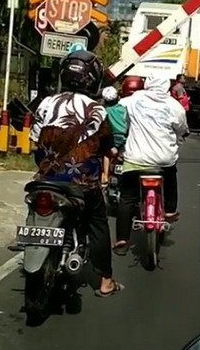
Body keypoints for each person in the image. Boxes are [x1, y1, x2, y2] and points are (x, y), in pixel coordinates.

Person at [29, 50, 124, 298]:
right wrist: (113, 152)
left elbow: (33, 140)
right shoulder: (96, 110)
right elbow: (107, 146)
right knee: (98, 222)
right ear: (92, 78)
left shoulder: (46, 103)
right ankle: (105, 282)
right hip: (82, 184)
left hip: (46, 179)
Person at [113, 75, 189, 254]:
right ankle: (170, 210)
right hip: (163, 160)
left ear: (147, 85)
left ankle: (122, 238)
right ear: (166, 87)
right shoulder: (174, 105)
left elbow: (116, 111)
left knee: (127, 198)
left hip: (135, 160)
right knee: (171, 174)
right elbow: (182, 128)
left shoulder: (133, 100)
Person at [99, 86, 128, 189]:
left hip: (111, 138)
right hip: (125, 138)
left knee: (106, 154)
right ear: (118, 98)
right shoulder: (124, 109)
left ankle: (105, 176)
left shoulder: (104, 111)